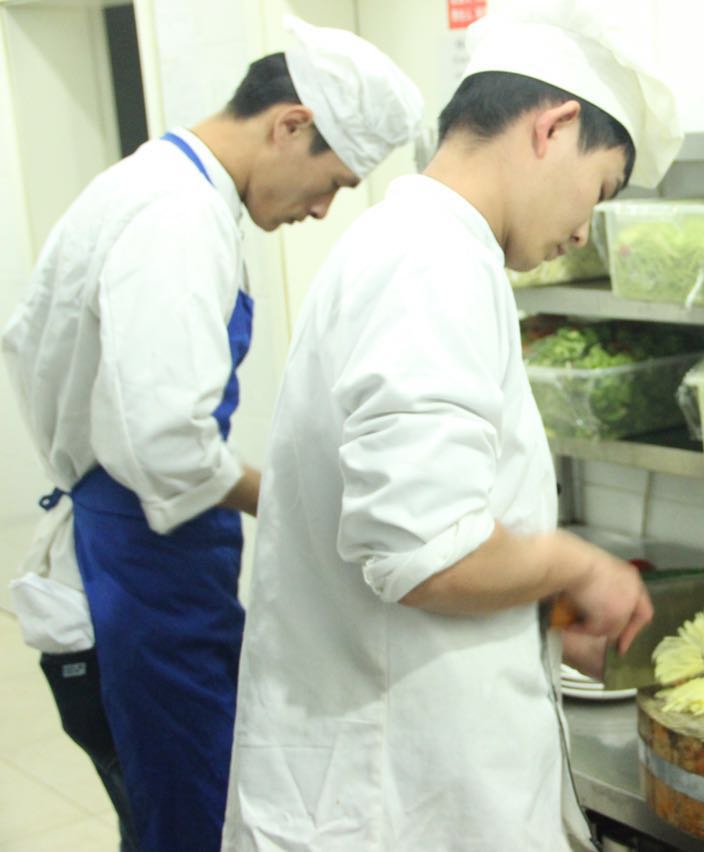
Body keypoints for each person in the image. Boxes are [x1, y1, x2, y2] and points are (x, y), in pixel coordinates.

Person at [220, 1, 683, 849]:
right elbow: (428, 553)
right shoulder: (428, 264)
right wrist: (576, 565)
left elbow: (429, 517)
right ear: (554, 126)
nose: (584, 229)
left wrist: (539, 619)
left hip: (405, 769)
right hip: (392, 803)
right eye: (600, 189)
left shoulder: (424, 248)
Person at [2, 16, 423, 852]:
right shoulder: (175, 216)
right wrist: (291, 501)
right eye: (331, 183)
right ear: (290, 125)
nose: (321, 210)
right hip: (143, 582)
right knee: (191, 822)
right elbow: (162, 441)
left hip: (152, 560)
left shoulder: (161, 187)